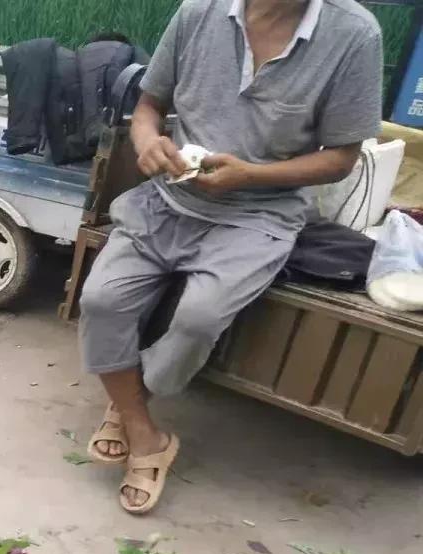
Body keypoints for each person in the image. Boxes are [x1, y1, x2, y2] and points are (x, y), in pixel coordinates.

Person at [78, 0, 382, 514]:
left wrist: (252, 175)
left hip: (259, 215)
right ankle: (143, 431)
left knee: (198, 319)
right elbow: (150, 106)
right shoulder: (199, 13)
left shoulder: (354, 34)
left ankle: (128, 402)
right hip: (169, 199)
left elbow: (341, 158)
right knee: (101, 301)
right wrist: (148, 141)